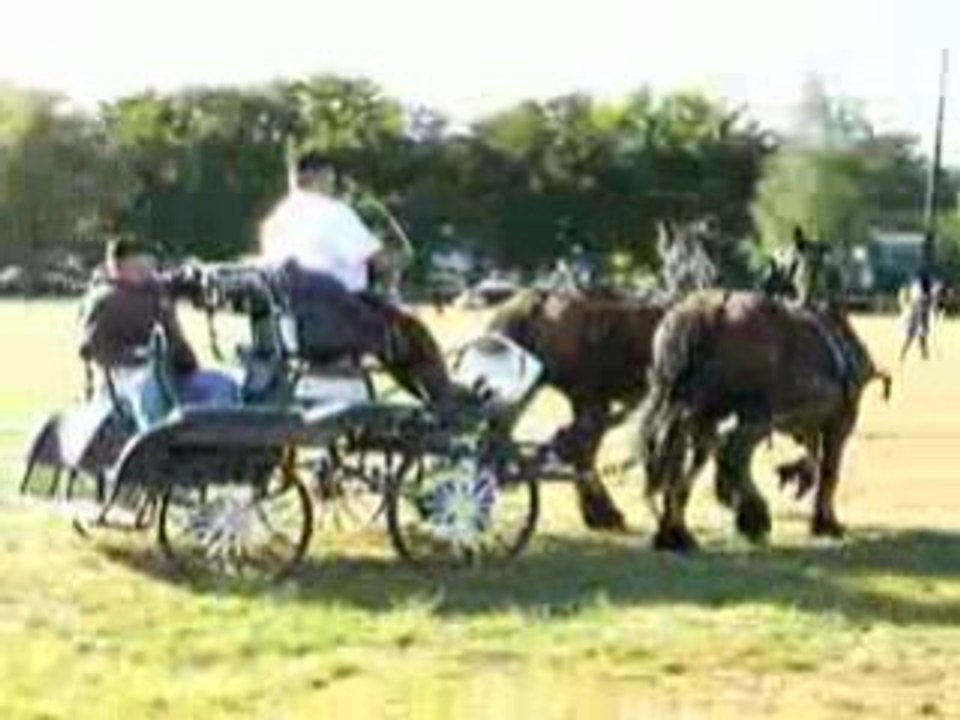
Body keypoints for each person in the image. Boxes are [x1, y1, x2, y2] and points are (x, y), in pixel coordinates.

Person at [258, 152, 398, 364]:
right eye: (332, 177)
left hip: (287, 319)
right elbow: (378, 261)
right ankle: (442, 392)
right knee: (409, 334)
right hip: (333, 315)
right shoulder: (333, 212)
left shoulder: (274, 221)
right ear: (321, 175)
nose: (333, 185)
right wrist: (395, 264)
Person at [78, 238, 239, 407]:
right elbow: (93, 348)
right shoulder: (103, 301)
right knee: (149, 391)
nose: (148, 266)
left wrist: (199, 277)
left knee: (222, 386)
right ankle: (165, 433)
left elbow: (183, 282)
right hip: (126, 379)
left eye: (148, 261)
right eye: (139, 262)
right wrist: (140, 355)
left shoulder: (156, 288)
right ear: (120, 266)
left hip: (174, 374)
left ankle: (213, 432)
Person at [900, 269, 936, 361]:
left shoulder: (923, 291)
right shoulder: (921, 292)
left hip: (918, 314)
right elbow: (922, 304)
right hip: (915, 314)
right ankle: (903, 354)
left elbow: (928, 305)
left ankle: (924, 354)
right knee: (913, 336)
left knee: (921, 335)